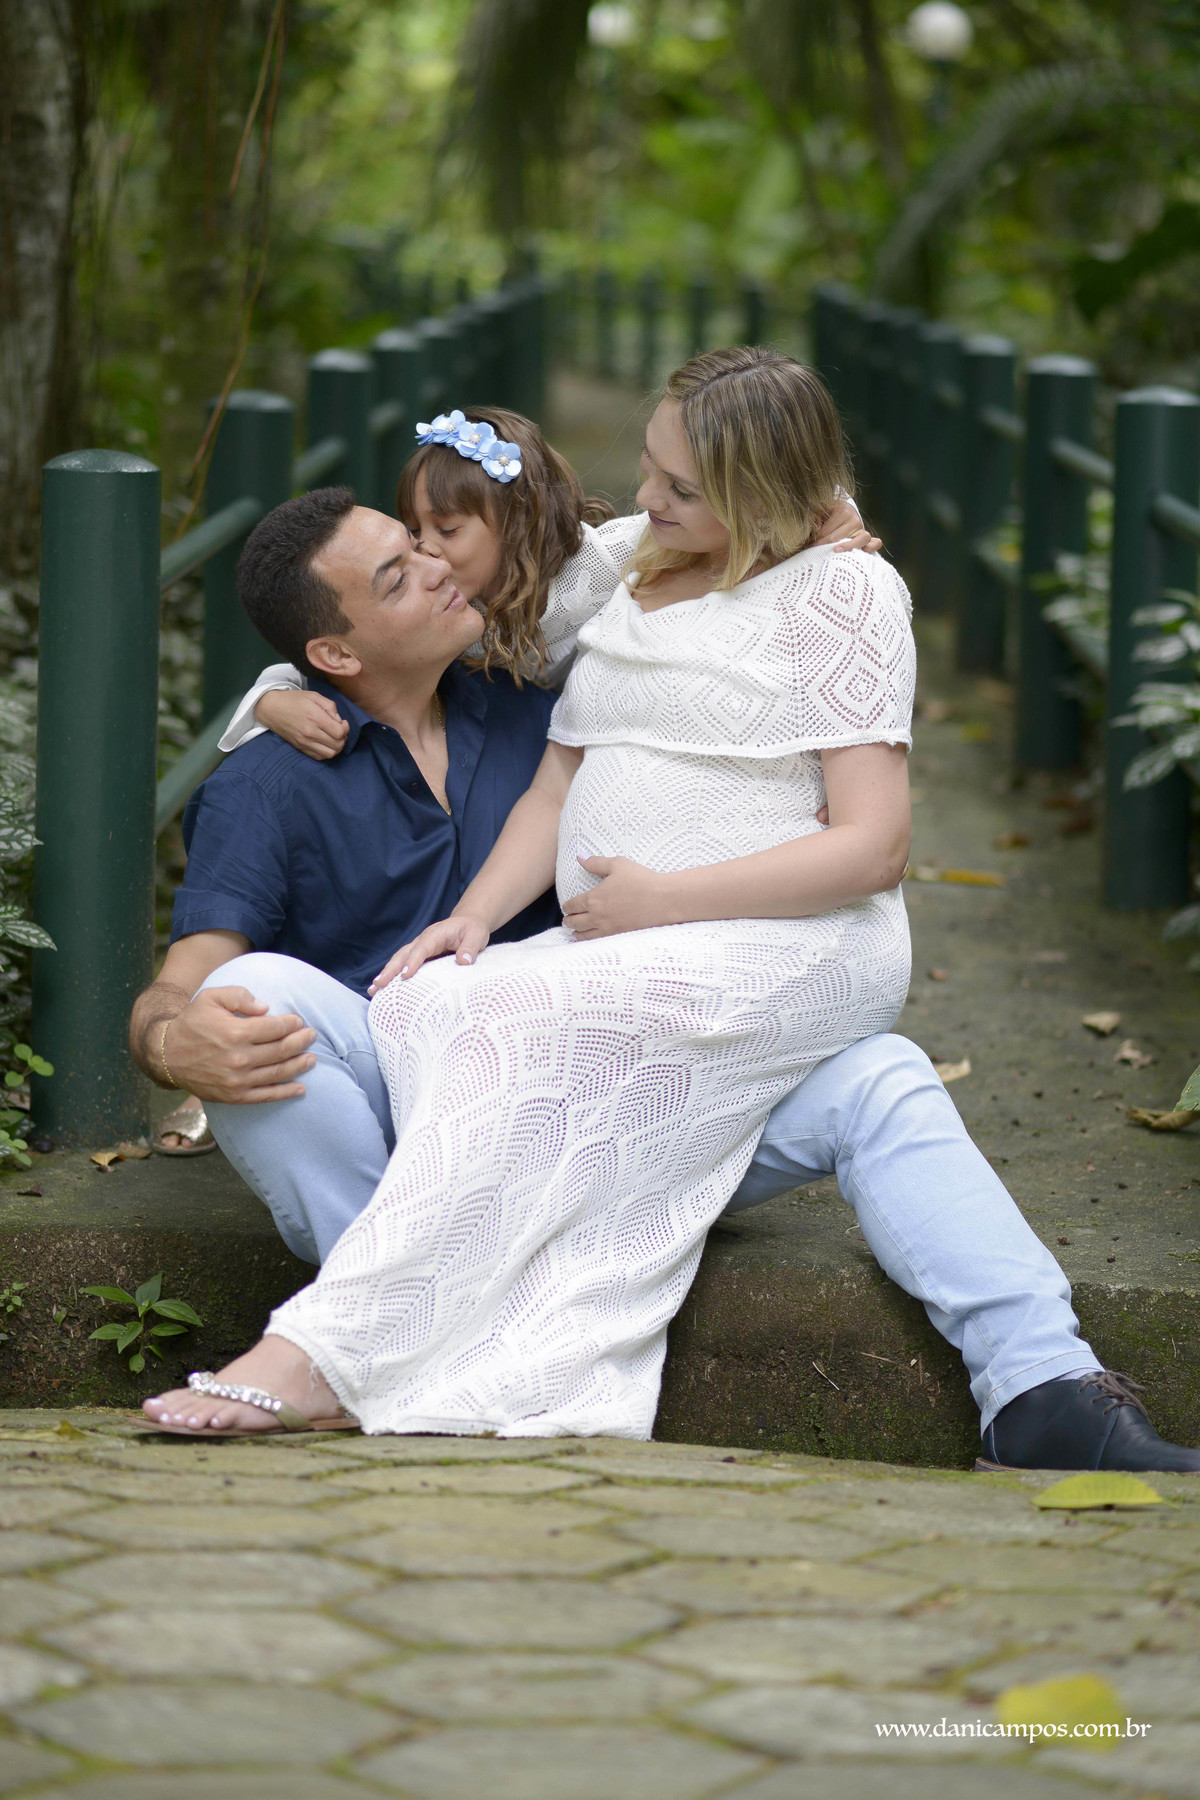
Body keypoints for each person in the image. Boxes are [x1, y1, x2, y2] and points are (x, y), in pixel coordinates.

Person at [139, 350, 1200, 1471]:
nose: (444, 570)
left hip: (642, 1033)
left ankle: (1042, 1390)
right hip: (453, 1086)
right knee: (240, 995)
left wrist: (821, 521)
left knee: (833, 1070)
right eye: (403, 569)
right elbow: (186, 983)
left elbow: (860, 815)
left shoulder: (516, 676)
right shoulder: (289, 758)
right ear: (335, 650)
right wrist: (270, 707)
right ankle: (394, 1310)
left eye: (429, 545)